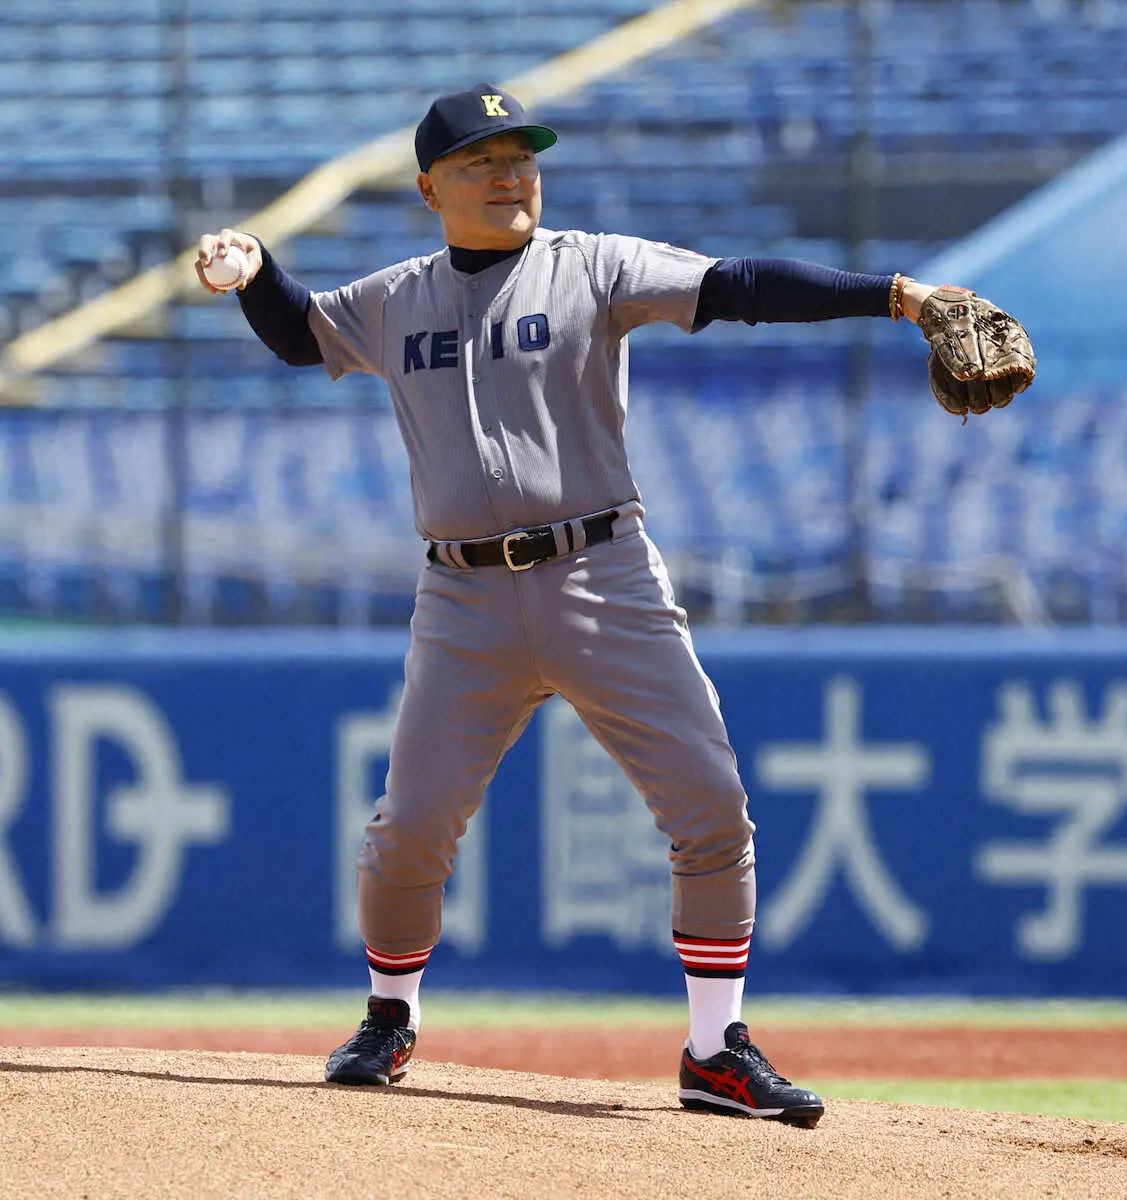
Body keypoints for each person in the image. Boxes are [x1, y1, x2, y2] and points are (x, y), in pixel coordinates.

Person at [195, 82, 945, 1127]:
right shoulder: (394, 298)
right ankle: (388, 1016)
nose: (510, 173)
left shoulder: (591, 265)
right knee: (408, 830)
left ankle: (711, 1047)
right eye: (481, 160)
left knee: (710, 807)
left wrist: (896, 296)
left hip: (603, 575)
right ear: (429, 187)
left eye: (522, 156)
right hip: (461, 595)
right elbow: (298, 335)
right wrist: (255, 273)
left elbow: (738, 287)